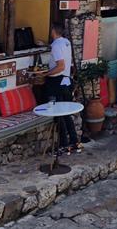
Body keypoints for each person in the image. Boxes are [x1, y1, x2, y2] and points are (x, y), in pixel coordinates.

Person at [45, 23, 81, 154]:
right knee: (66, 113)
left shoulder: (55, 45)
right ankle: (74, 141)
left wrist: (46, 73)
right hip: (67, 80)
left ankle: (63, 145)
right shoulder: (66, 42)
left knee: (58, 113)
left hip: (57, 82)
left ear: (53, 31)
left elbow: (60, 66)